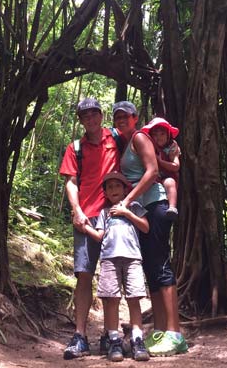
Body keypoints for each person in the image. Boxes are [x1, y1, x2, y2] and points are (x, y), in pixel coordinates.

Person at [112, 101, 188, 357]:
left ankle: (176, 334)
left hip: (155, 204)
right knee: (151, 269)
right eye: (117, 117)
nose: (121, 120)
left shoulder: (141, 137)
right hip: (143, 209)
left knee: (161, 265)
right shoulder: (124, 143)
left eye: (126, 116)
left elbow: (153, 170)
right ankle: (159, 330)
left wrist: (126, 199)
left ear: (135, 118)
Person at [59, 97, 120, 359]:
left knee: (112, 276)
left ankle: (111, 335)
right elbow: (71, 182)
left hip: (113, 216)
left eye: (94, 114)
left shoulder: (117, 139)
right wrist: (77, 211)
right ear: (81, 121)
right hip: (86, 217)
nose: (91, 120)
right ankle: (80, 335)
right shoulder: (75, 147)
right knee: (84, 275)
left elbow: (145, 146)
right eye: (85, 116)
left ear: (101, 115)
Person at [82, 171, 150, 362]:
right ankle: (114, 341)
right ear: (105, 192)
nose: (114, 189)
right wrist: (84, 227)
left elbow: (145, 227)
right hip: (109, 260)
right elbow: (99, 236)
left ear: (125, 189)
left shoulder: (135, 206)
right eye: (110, 187)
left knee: (134, 299)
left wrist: (126, 212)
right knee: (111, 300)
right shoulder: (104, 212)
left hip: (133, 258)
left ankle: (137, 341)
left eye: (117, 186)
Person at [140, 117, 181, 219]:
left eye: (162, 134)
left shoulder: (171, 147)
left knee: (170, 183)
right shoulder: (148, 147)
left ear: (168, 135)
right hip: (154, 180)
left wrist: (161, 162)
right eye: (155, 134)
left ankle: (172, 207)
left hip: (168, 176)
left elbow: (176, 167)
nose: (159, 137)